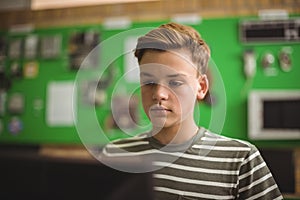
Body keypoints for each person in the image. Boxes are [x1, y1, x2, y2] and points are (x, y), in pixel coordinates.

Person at [99, 22, 283, 200]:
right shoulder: (115, 155)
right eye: (149, 82)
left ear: (201, 87)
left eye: (175, 82)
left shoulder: (241, 160)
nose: (159, 94)